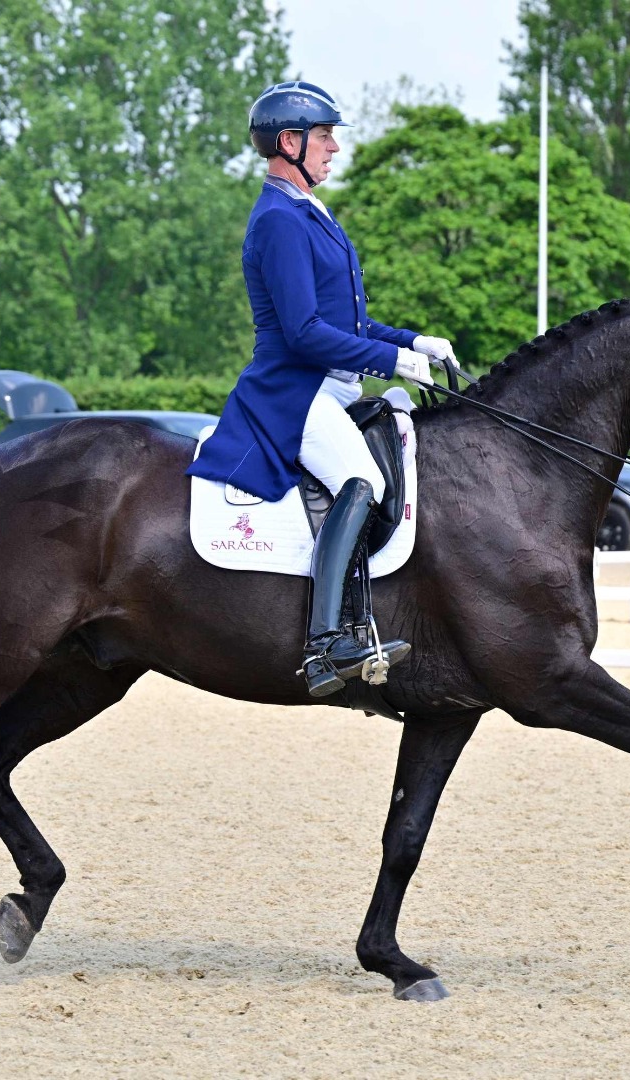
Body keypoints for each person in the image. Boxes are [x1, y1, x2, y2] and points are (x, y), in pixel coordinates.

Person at [188, 80, 458, 698]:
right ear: (290, 142)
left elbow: (347, 324)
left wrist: (414, 343)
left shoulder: (309, 210)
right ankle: (327, 643)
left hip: (329, 387)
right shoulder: (280, 219)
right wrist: (391, 360)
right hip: (293, 388)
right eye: (325, 135)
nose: (335, 147)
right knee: (363, 481)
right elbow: (307, 335)